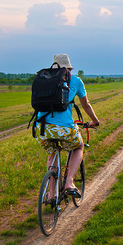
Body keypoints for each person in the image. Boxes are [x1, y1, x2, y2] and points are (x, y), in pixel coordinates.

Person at [35, 54, 99, 200]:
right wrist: (95, 121)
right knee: (78, 147)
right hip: (64, 128)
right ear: (69, 68)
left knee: (52, 153)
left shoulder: (44, 81)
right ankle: (69, 182)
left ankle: (51, 194)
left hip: (42, 128)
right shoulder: (75, 81)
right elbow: (86, 104)